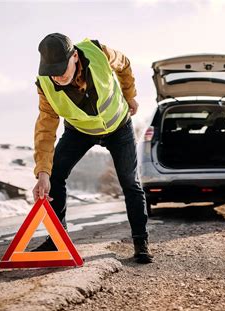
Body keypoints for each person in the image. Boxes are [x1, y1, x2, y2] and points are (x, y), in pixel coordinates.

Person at [31, 33, 153, 264]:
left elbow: (124, 64)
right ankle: (58, 239)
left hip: (119, 128)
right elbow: (45, 128)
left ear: (75, 56)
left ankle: (140, 241)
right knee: (54, 175)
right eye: (51, 71)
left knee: (130, 183)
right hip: (80, 131)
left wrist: (130, 96)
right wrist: (42, 173)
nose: (56, 76)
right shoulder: (45, 84)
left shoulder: (100, 53)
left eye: (61, 69)